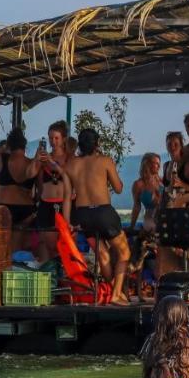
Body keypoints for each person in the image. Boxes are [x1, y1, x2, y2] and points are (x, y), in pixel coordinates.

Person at [64, 128, 130, 304]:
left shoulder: (71, 164)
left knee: (104, 256)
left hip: (83, 215)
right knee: (124, 253)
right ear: (97, 144)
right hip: (103, 212)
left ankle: (113, 292)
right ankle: (116, 294)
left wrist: (67, 221)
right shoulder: (105, 160)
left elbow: (67, 196)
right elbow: (119, 188)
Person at [0, 127, 36, 249]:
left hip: (3, 207)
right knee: (15, 248)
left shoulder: (1, 159)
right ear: (24, 146)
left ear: (10, 145)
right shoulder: (31, 163)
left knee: (1, 248)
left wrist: (0, 150)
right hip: (25, 209)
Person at [31, 122, 73, 263]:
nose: (52, 142)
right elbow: (34, 177)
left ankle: (60, 278)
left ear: (64, 139)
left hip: (64, 204)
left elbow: (72, 178)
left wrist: (53, 164)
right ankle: (47, 276)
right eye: (50, 138)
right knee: (45, 244)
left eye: (56, 138)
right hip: (46, 204)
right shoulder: (44, 158)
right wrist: (37, 160)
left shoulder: (70, 158)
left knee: (62, 245)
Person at [129, 153, 163, 233]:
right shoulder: (138, 184)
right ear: (147, 164)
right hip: (149, 220)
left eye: (159, 163)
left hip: (165, 218)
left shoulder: (161, 181)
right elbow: (137, 206)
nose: (158, 166)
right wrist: (132, 226)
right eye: (156, 163)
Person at [163, 132, 189, 197]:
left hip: (184, 203)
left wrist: (182, 184)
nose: (172, 147)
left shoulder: (187, 165)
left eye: (176, 144)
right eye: (169, 144)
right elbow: (167, 188)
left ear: (181, 146)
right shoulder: (165, 165)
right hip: (168, 204)